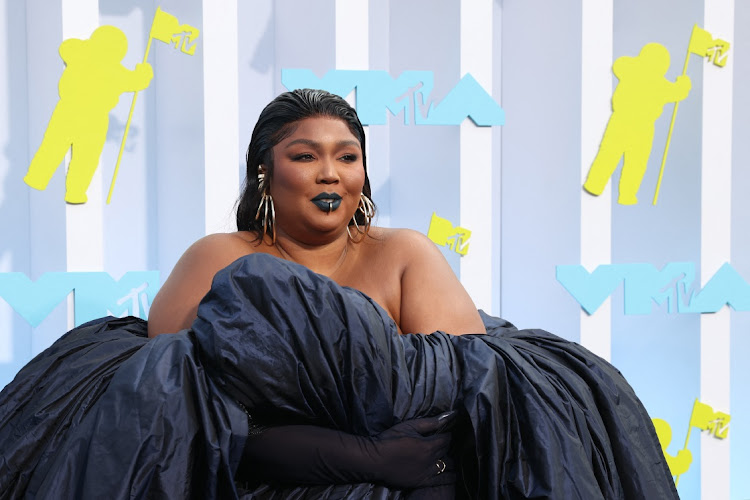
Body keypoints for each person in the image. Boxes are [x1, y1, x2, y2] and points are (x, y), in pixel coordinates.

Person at [1, 89, 679, 499]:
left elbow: (458, 393)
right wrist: (353, 453)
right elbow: (166, 404)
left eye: (347, 155)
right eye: (305, 155)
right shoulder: (219, 257)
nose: (331, 171)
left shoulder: (404, 252)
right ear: (266, 174)